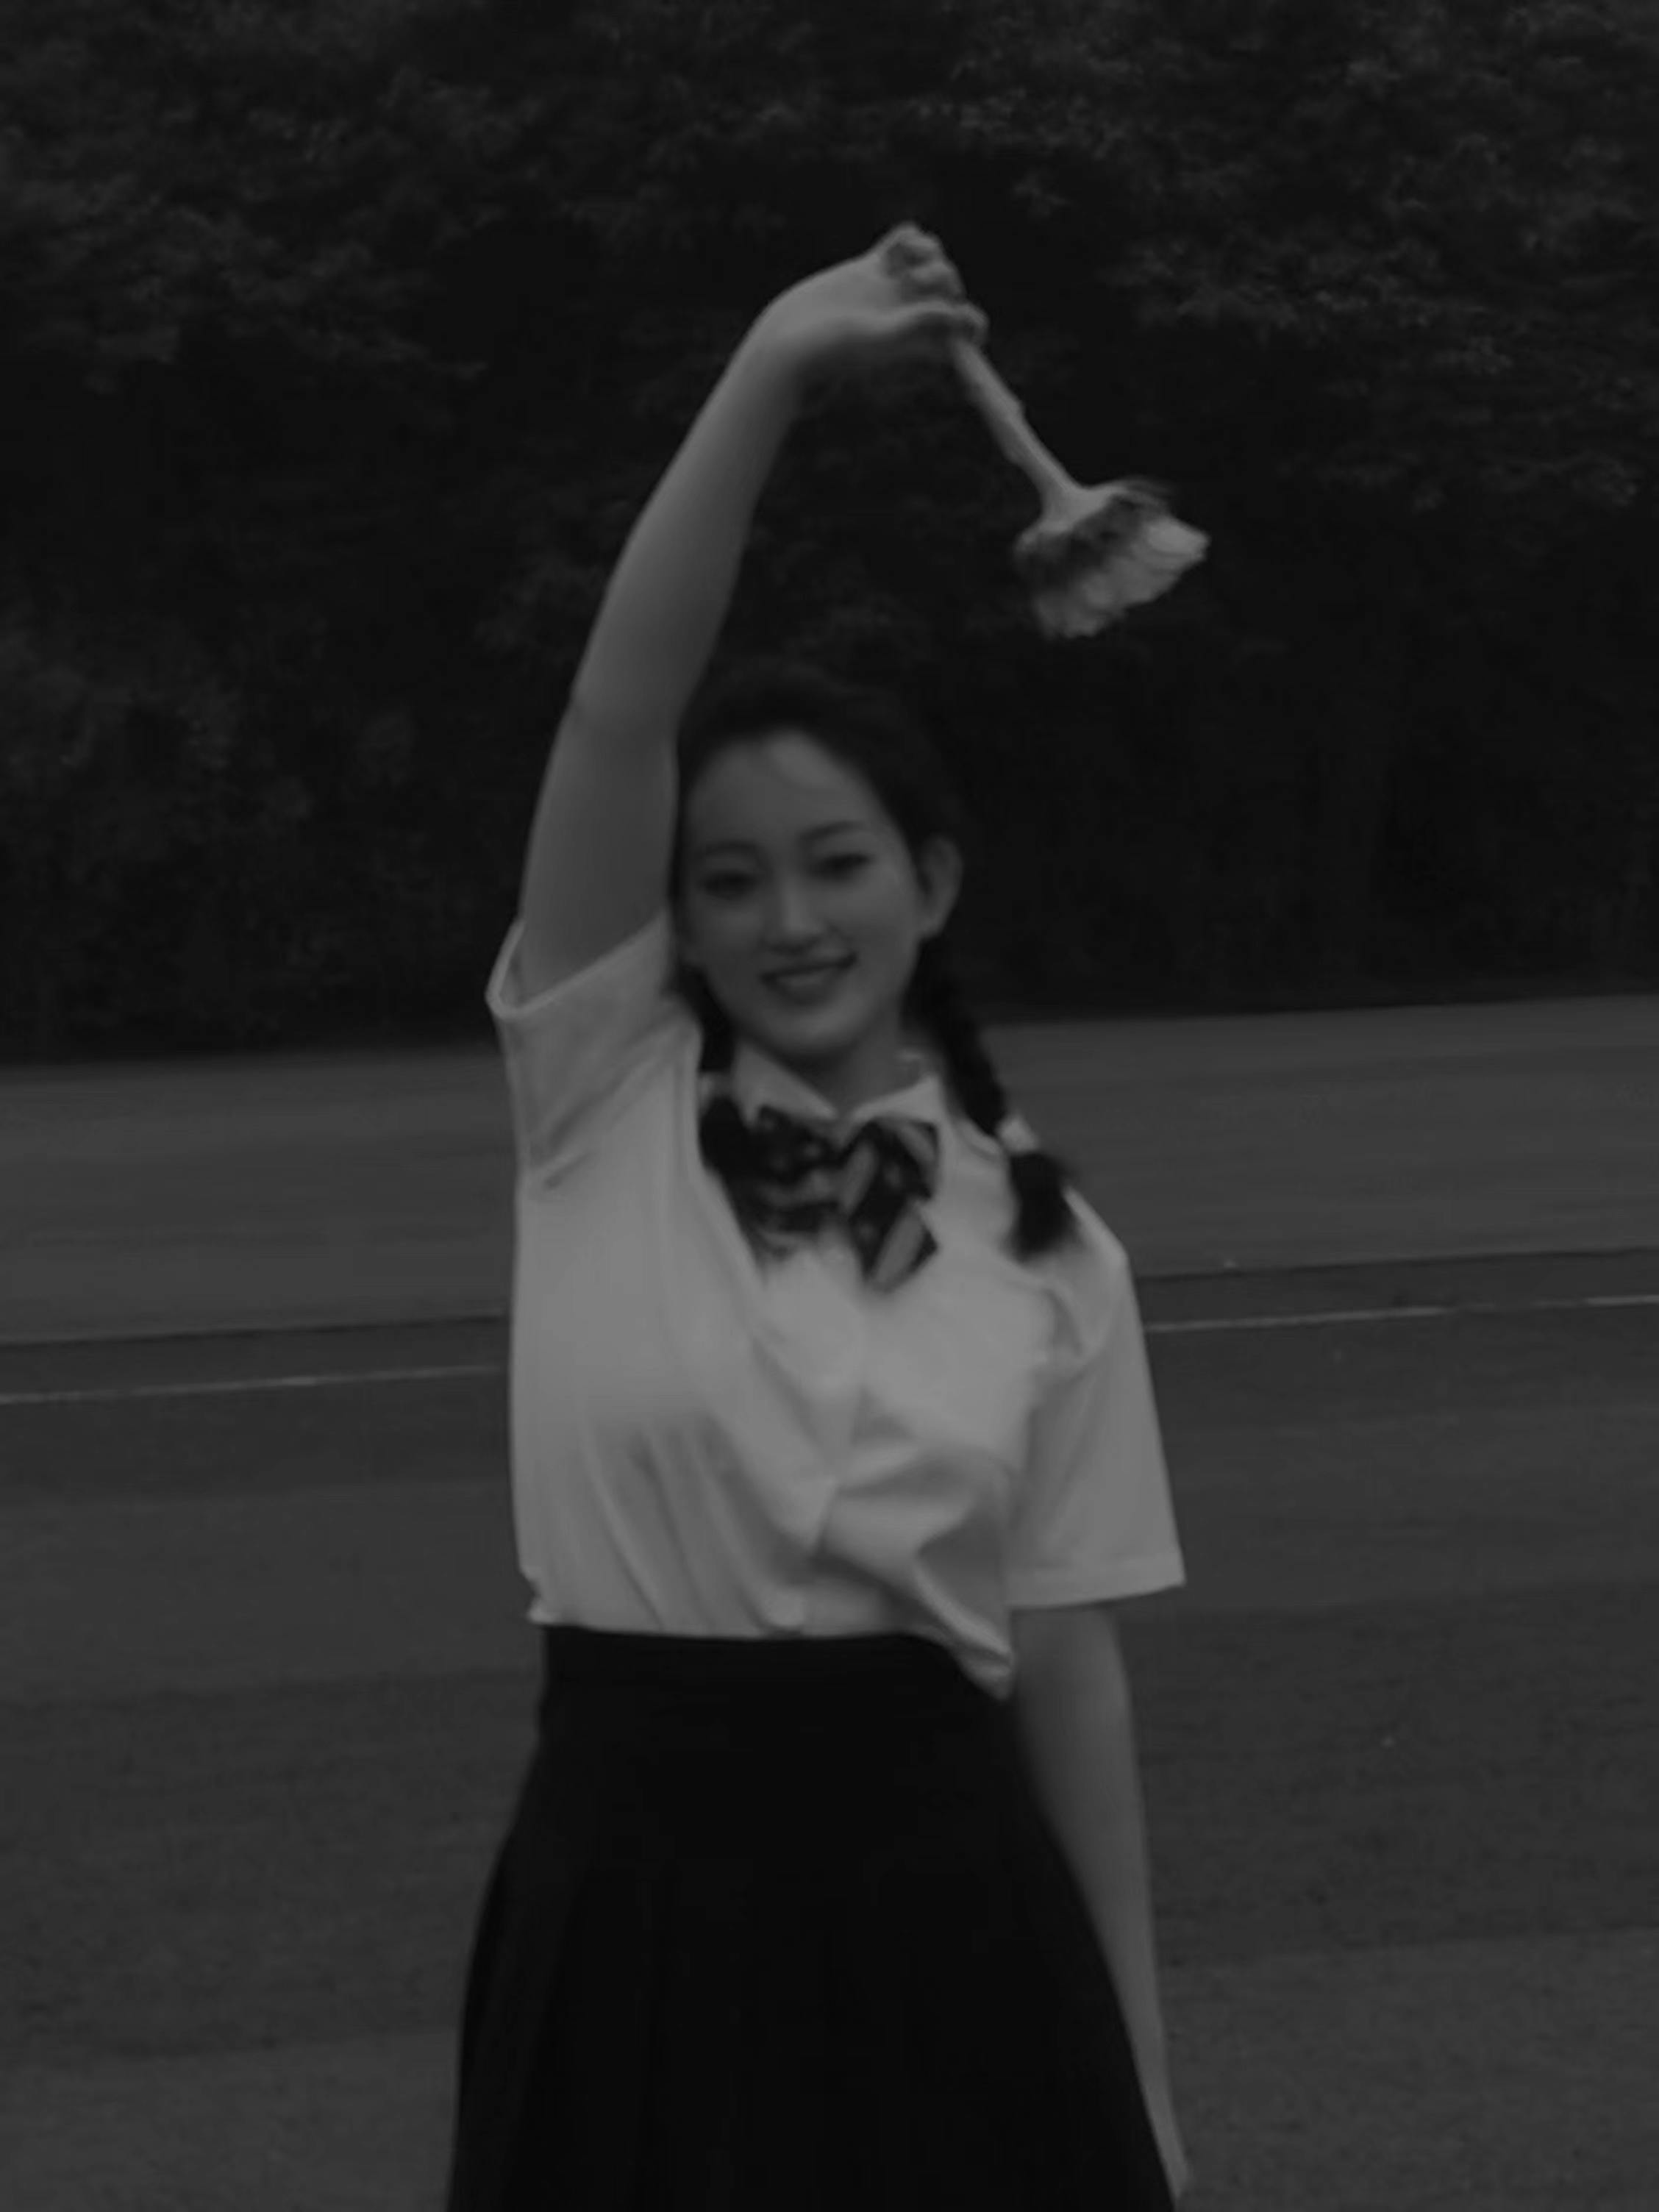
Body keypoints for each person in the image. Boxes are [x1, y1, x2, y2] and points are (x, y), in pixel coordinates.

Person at [445, 224, 1193, 2209]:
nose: (788, 921)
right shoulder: (603, 1105)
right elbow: (622, 713)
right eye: (731, 880)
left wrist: (1140, 2087)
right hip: (631, 1907)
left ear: (929, 883)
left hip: (958, 1924)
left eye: (836, 864)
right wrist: (770, 369)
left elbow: (1068, 1672)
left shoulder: (1057, 1259)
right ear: (670, 920)